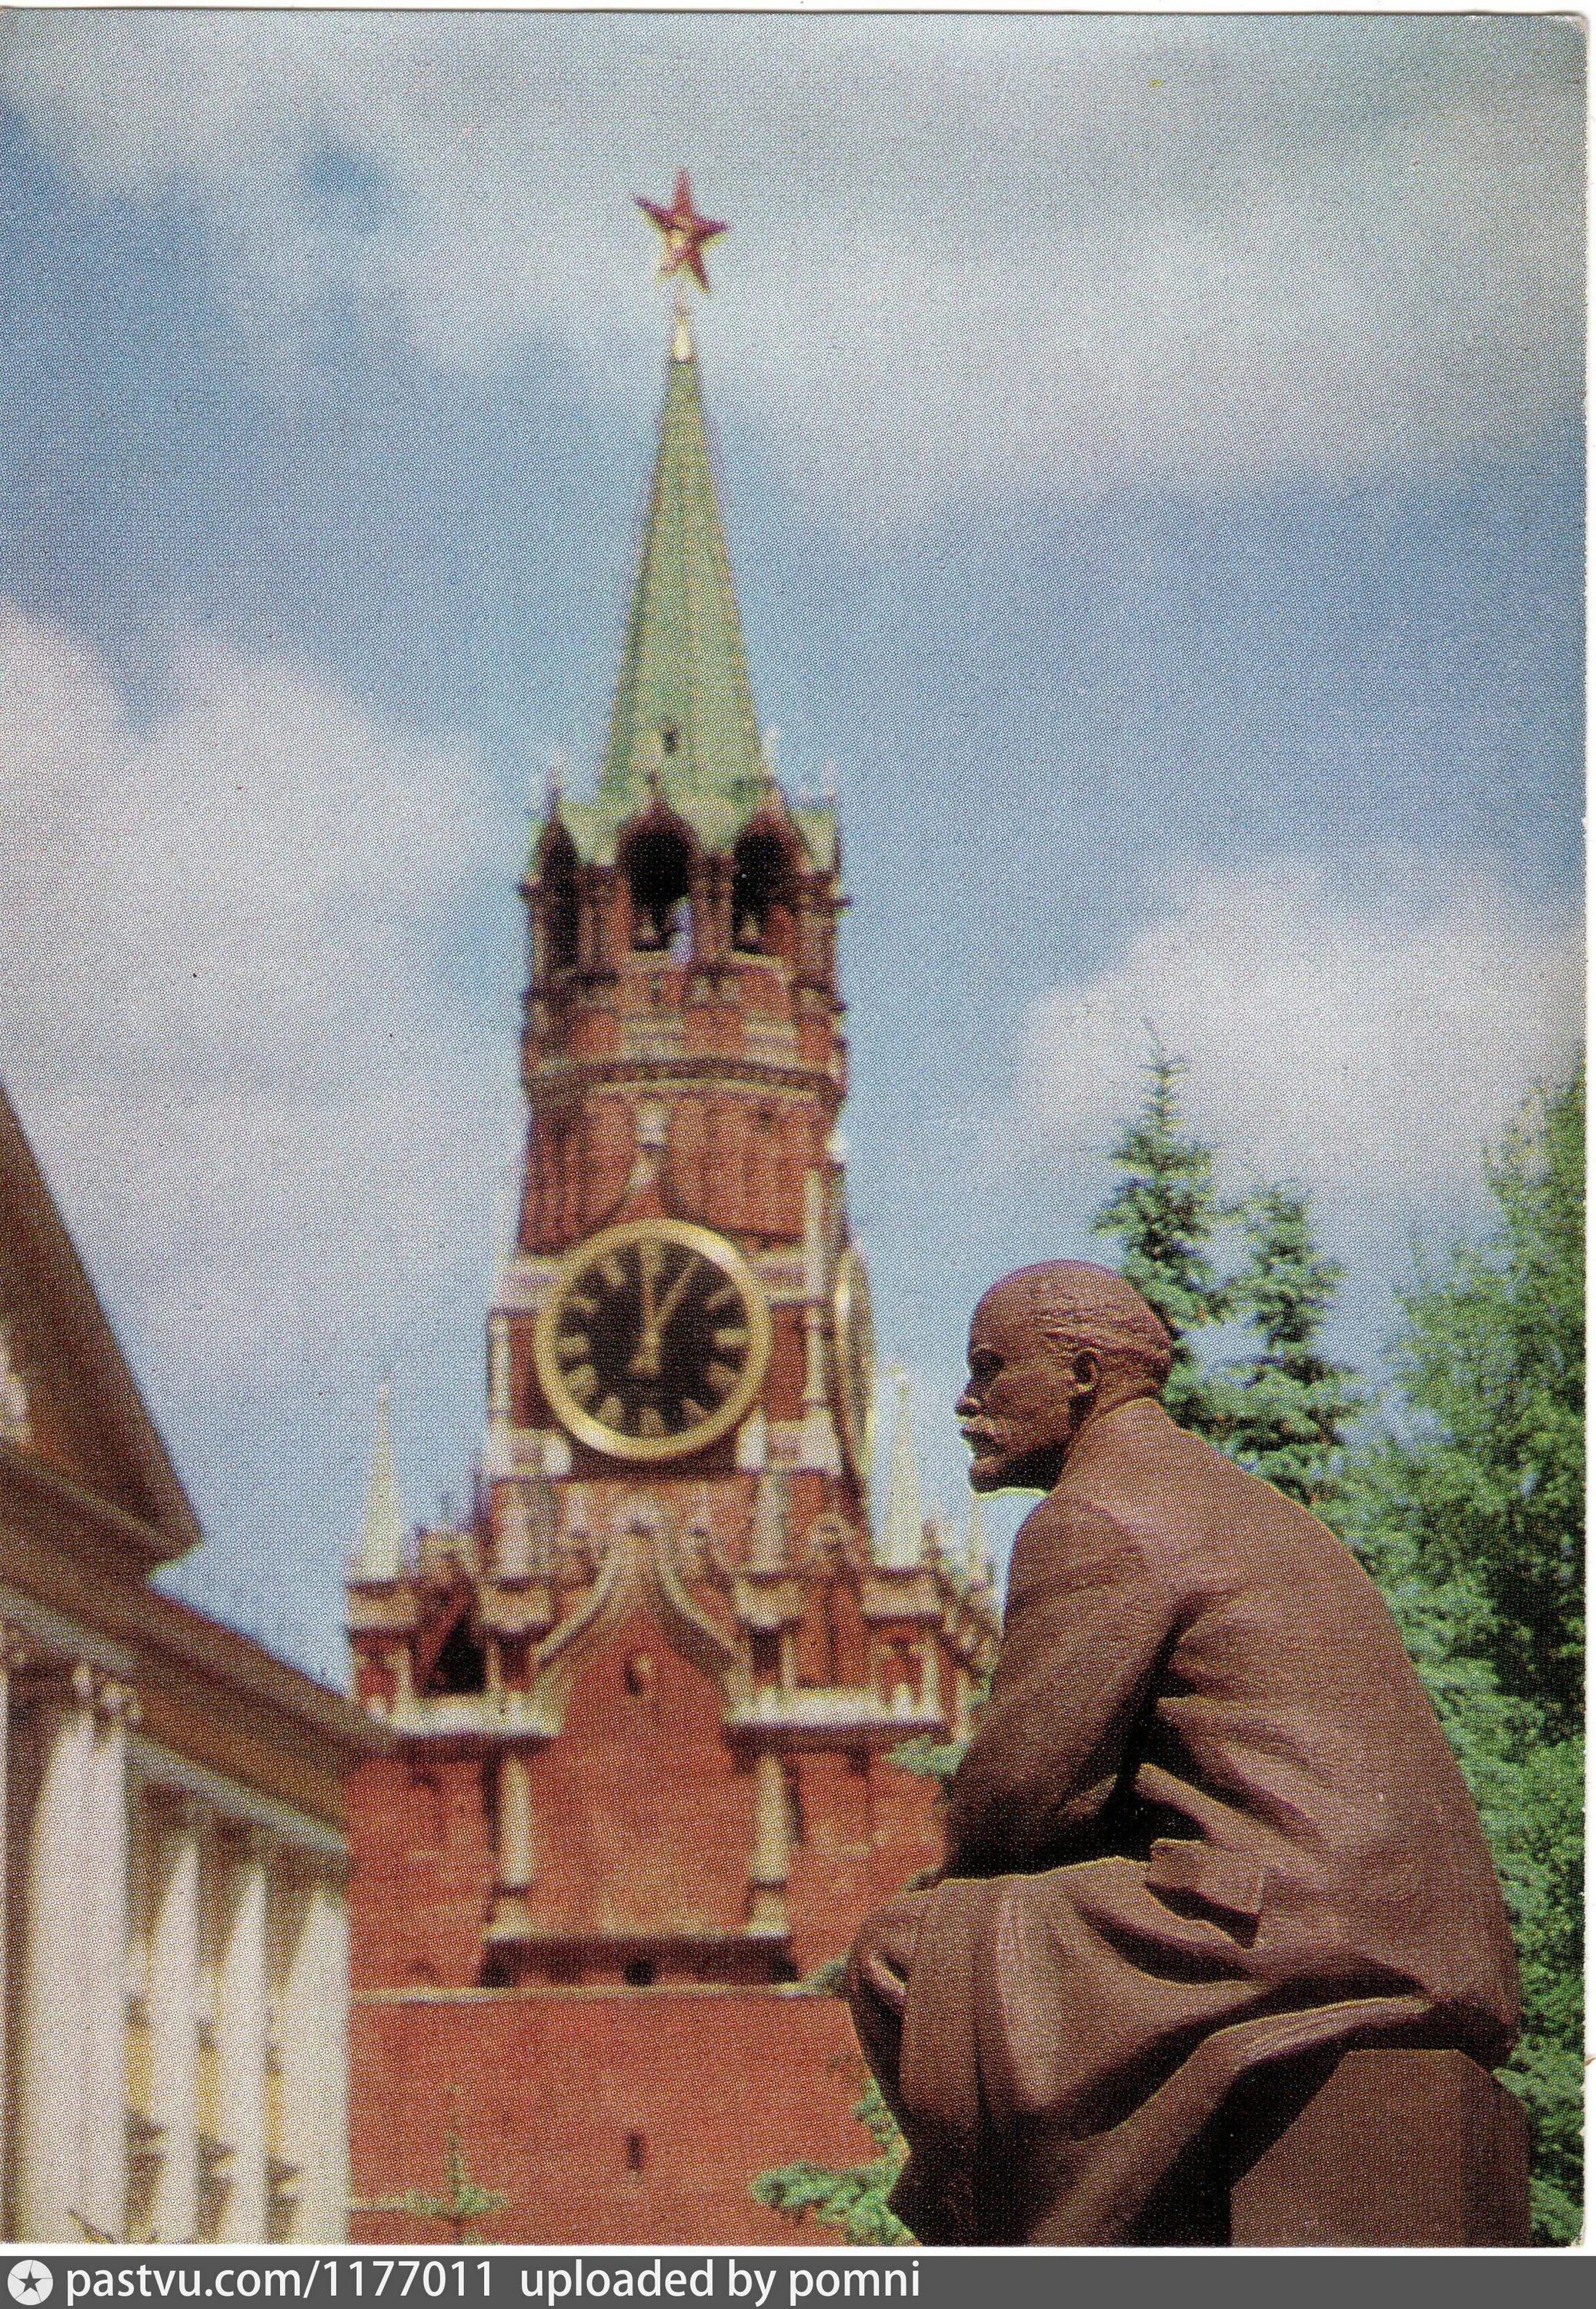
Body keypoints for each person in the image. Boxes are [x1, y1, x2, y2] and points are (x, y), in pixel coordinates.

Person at [846, 1261, 1519, 2245]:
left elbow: (1016, 1801)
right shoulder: (1231, 1498)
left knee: (905, 1955)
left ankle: (1029, 2246)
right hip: (1394, 1928)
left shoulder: (1096, 1515)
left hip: (1285, 1927)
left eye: (991, 1370)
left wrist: (966, 1891)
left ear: (1080, 1374)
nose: (967, 1400)